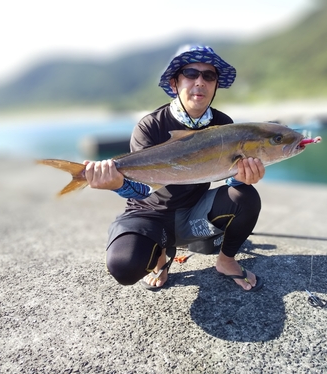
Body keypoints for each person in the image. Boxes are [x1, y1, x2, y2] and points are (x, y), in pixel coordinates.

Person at [84, 45, 265, 292]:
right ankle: (160, 252)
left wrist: (242, 177)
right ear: (175, 83)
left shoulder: (224, 125)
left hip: (195, 211)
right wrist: (117, 184)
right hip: (149, 214)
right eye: (191, 73)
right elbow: (141, 189)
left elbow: (227, 176)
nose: (200, 81)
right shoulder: (150, 126)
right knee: (124, 266)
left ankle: (226, 261)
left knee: (246, 196)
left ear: (214, 85)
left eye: (209, 75)